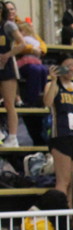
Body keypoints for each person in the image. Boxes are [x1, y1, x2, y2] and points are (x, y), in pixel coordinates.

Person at [43, 55, 73, 194]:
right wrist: (53, 80)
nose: (71, 68)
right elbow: (47, 103)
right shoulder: (53, 85)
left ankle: (70, 208)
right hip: (61, 135)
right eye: (67, 65)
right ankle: (59, 208)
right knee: (63, 181)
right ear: (60, 67)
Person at [0, 2, 23, 147]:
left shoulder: (8, 25)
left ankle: (13, 137)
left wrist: (7, 54)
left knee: (9, 103)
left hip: (7, 66)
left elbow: (22, 43)